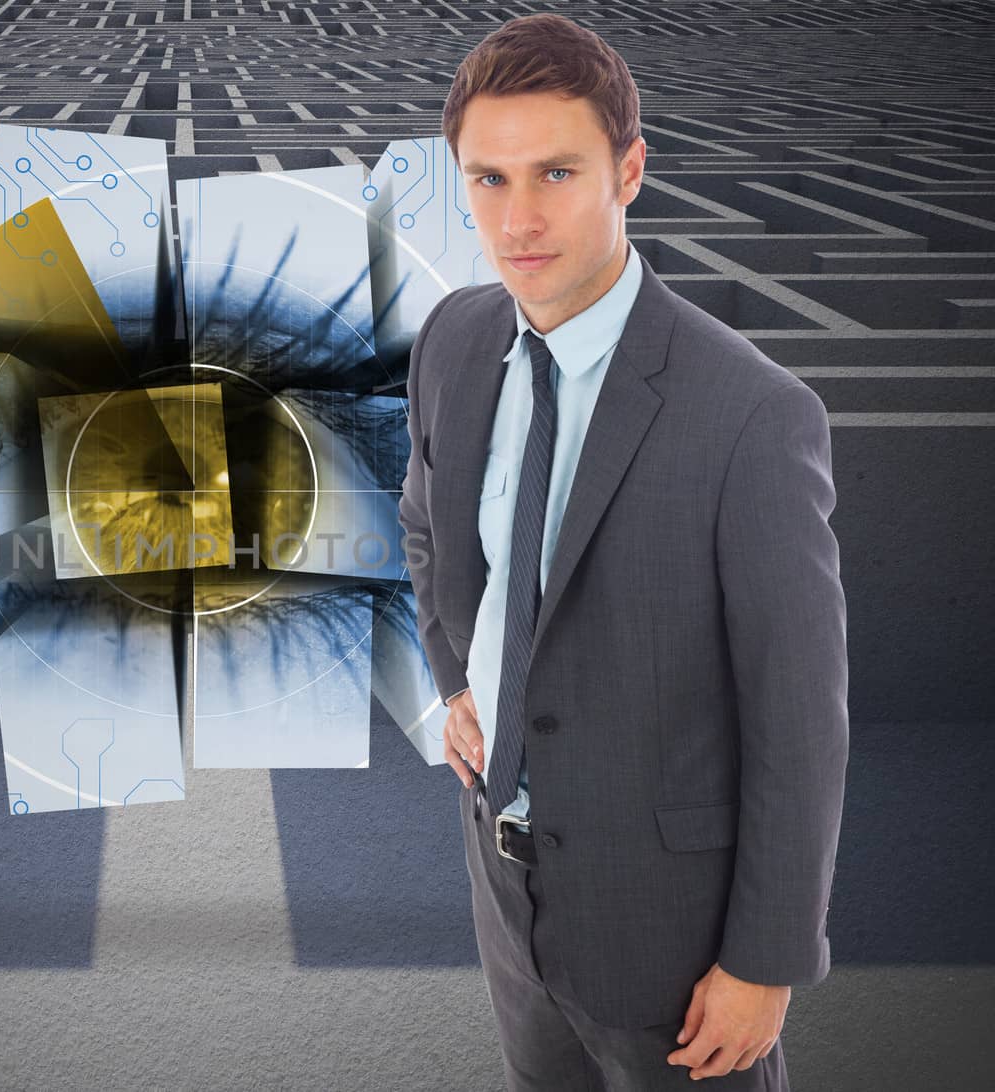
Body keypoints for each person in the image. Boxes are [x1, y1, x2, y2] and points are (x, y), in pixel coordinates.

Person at [396, 13, 848, 1090]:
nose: (519, 218)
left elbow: (799, 715)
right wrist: (459, 677)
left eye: (556, 171)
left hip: (676, 934)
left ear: (629, 170)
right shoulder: (455, 341)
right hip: (506, 892)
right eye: (488, 179)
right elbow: (424, 526)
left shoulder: (749, 414)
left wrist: (765, 959)